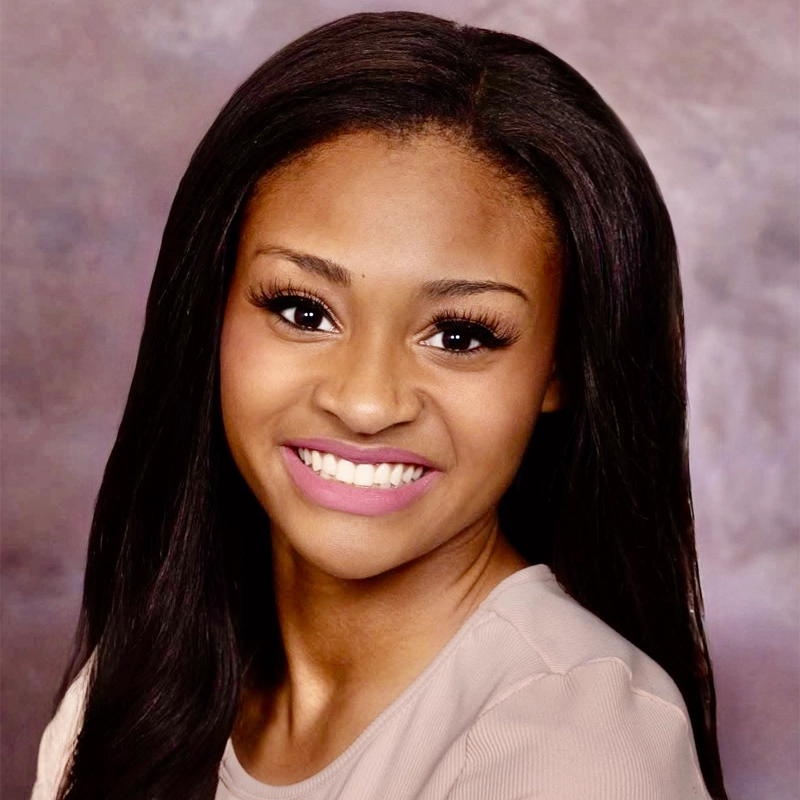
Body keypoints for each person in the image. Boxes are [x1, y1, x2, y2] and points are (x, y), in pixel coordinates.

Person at [31, 10, 728, 800]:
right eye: (302, 310)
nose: (365, 402)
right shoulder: (130, 692)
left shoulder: (576, 736)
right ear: (210, 313)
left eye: (461, 335)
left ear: (559, 369)